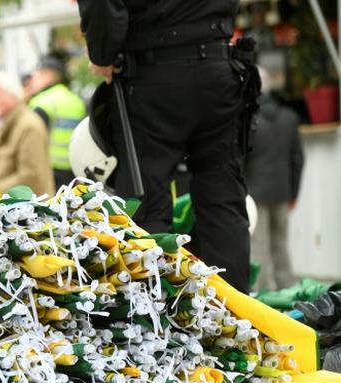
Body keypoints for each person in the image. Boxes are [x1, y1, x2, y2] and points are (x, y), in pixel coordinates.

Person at [78, 1, 253, 292]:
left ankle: (159, 319)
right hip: (219, 65)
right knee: (223, 201)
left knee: (146, 206)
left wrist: (103, 54)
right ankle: (235, 321)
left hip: (153, 73)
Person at [246, 69, 304, 291]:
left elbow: (242, 161)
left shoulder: (250, 120)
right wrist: (294, 193)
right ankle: (287, 288)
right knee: (280, 243)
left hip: (255, 193)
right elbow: (297, 159)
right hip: (283, 192)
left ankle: (263, 294)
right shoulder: (289, 117)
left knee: (258, 245)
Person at [0, 71, 55, 198]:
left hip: (33, 212)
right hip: (16, 210)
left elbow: (32, 177)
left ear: (12, 96)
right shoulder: (2, 123)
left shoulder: (28, 126)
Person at [27, 56, 87, 188]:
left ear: (48, 75)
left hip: (48, 170)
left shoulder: (41, 101)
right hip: (74, 169)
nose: (32, 81)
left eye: (36, 76)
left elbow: (31, 143)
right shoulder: (77, 101)